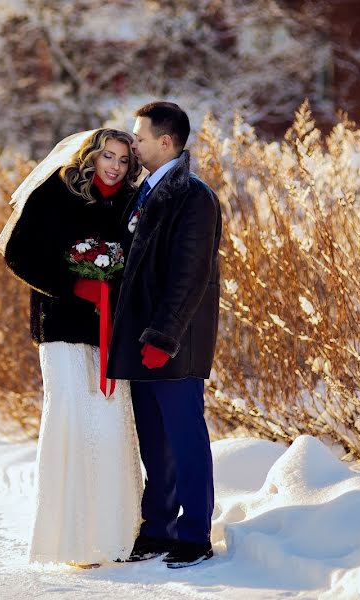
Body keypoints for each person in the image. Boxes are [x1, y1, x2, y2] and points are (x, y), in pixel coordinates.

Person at [0, 129, 144, 568]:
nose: (115, 166)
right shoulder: (55, 190)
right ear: (92, 156)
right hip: (61, 325)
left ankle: (118, 534)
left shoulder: (130, 203)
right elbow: (17, 253)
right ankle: (74, 541)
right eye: (107, 156)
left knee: (111, 422)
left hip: (109, 327)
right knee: (73, 420)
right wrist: (72, 283)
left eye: (122, 159)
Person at [107, 102, 222, 569]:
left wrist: (163, 336)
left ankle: (195, 535)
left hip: (172, 343)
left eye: (139, 139)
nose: (133, 146)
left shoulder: (193, 197)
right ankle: (157, 528)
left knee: (184, 439)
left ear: (166, 142)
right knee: (154, 443)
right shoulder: (143, 192)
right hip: (140, 340)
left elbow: (189, 276)